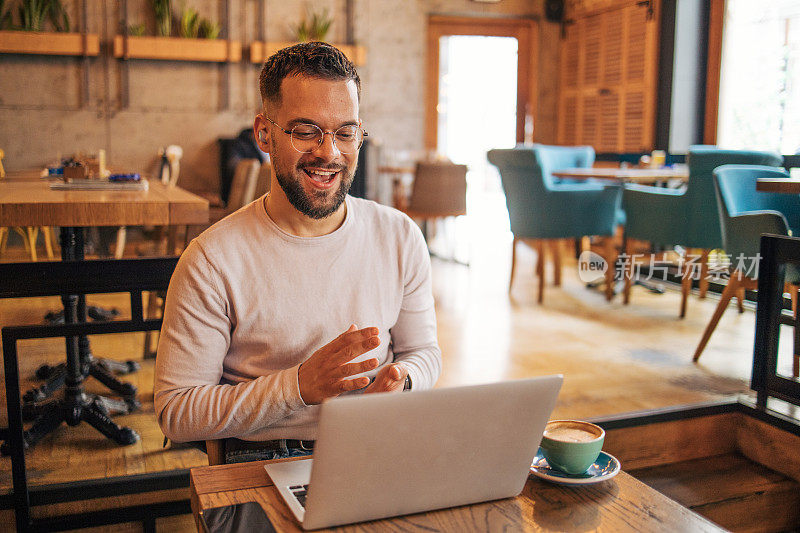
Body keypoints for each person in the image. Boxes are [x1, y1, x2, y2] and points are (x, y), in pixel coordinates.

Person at [154, 42, 442, 463]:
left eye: (346, 132)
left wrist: (404, 378)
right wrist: (299, 387)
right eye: (306, 131)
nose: (329, 153)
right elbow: (177, 412)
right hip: (265, 457)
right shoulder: (212, 260)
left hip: (376, 443)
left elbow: (424, 353)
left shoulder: (399, 235)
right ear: (264, 134)